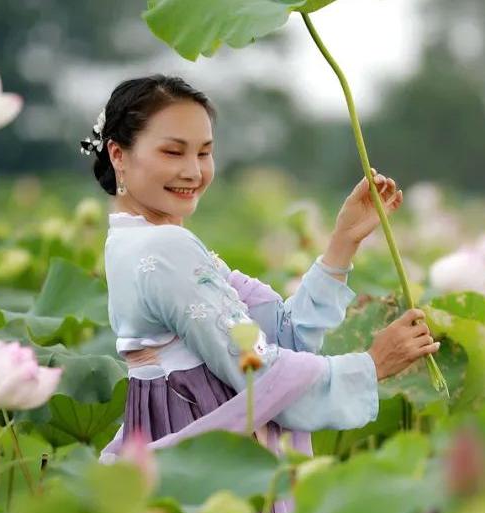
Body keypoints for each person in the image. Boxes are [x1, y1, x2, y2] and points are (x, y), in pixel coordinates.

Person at [87, 75, 440, 470]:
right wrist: (372, 364)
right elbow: (259, 371)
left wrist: (343, 242)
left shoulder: (127, 240)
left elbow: (279, 338)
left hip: (174, 458)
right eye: (173, 152)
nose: (193, 171)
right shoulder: (165, 247)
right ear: (118, 155)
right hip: (211, 469)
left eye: (204, 153)